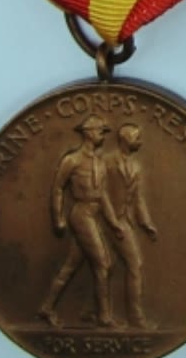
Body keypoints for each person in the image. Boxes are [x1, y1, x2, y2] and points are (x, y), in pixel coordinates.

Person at [38, 113, 125, 328]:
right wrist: (57, 217)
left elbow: (103, 195)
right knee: (104, 264)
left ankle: (47, 307)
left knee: (71, 266)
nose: (103, 136)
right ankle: (104, 316)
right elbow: (58, 188)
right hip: (81, 214)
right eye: (100, 132)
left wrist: (113, 222)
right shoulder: (72, 160)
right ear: (88, 133)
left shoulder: (100, 163)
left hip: (94, 215)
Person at [106, 122, 159, 329]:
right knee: (133, 265)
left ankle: (89, 311)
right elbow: (99, 193)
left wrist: (146, 223)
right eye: (137, 138)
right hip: (105, 221)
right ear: (126, 140)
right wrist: (111, 221)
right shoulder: (106, 162)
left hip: (124, 221)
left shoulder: (136, 166)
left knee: (95, 266)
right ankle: (135, 318)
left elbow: (138, 198)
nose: (140, 142)